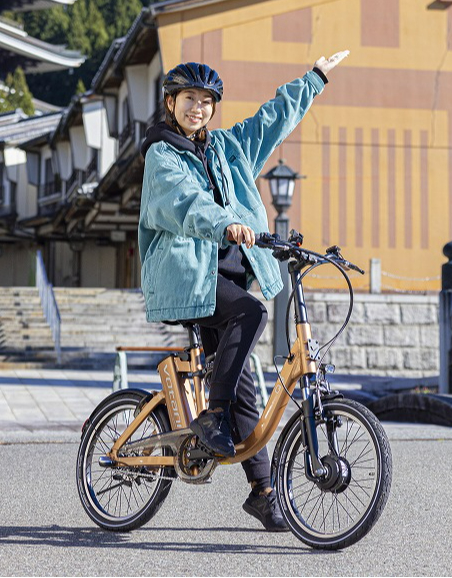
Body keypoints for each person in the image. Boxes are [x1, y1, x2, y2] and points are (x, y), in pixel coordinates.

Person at [137, 50, 349, 531]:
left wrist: (314, 78)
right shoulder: (161, 155)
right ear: (171, 103)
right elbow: (184, 203)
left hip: (224, 279)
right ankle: (212, 415)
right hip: (185, 277)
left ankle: (263, 492)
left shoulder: (225, 148)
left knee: (245, 388)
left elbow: (269, 123)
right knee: (251, 313)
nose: (198, 108)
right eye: (189, 99)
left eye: (206, 101)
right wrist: (225, 223)